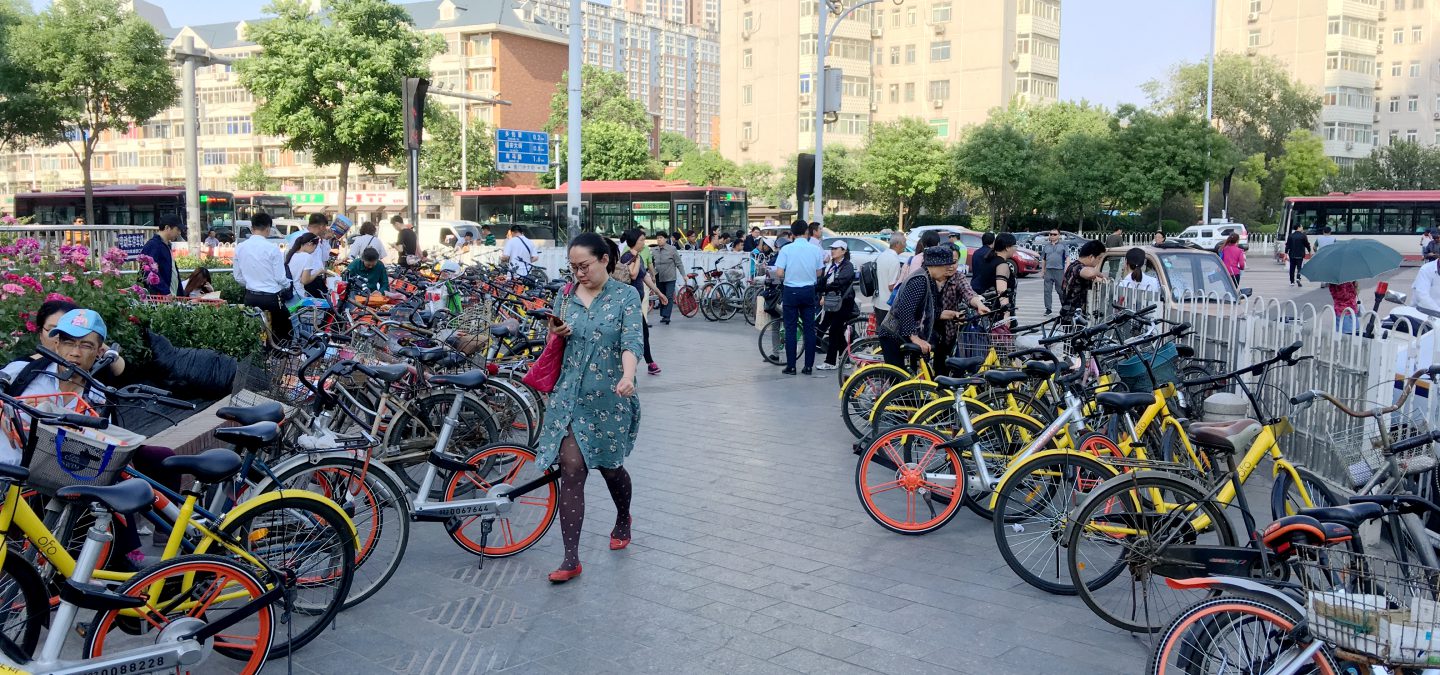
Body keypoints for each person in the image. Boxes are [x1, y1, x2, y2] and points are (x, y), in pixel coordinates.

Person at [2, 308, 178, 568]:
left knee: (115, 476)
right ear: (57, 344)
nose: (75, 352)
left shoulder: (95, 394)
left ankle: (127, 560)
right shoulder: (26, 372)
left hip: (52, 471)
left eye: (85, 345)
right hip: (11, 468)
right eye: (69, 343)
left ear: (98, 351)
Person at [536, 232, 642, 583]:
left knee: (611, 469)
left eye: (584, 266)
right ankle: (570, 559)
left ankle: (623, 516)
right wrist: (557, 331)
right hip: (569, 398)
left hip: (611, 398)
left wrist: (628, 376)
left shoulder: (625, 296)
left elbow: (630, 341)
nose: (578, 273)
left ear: (605, 260)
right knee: (572, 469)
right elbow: (553, 339)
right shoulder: (564, 296)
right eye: (573, 267)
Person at [878, 246, 966, 369]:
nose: (948, 271)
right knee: (898, 382)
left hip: (899, 335)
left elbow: (932, 311)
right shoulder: (919, 280)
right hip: (892, 335)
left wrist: (952, 315)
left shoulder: (929, 279)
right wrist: (915, 338)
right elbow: (906, 310)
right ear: (935, 265)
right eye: (946, 267)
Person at [773, 220, 826, 375]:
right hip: (809, 291)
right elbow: (819, 273)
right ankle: (808, 366)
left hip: (791, 291)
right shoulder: (815, 250)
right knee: (809, 329)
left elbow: (780, 273)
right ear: (807, 232)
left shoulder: (786, 249)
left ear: (792, 233)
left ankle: (791, 366)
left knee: (790, 329)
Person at [233, 213, 291, 346]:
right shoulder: (272, 249)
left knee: (253, 335)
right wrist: (287, 285)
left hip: (250, 297)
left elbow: (238, 277)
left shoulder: (240, 248)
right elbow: (280, 277)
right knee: (281, 333)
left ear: (252, 228)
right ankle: (278, 361)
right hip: (271, 299)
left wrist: (252, 283)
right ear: (268, 228)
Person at [619, 229, 668, 375]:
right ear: (634, 241)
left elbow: (644, 276)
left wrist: (659, 293)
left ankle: (649, 363)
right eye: (641, 239)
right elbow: (633, 275)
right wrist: (637, 258)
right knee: (640, 332)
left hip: (636, 303)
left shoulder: (637, 256)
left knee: (643, 332)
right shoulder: (627, 256)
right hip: (628, 304)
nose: (644, 242)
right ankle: (647, 363)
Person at [816, 241, 858, 371]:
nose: (832, 251)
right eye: (832, 249)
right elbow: (825, 280)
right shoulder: (831, 265)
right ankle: (845, 360)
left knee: (835, 330)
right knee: (838, 331)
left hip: (844, 302)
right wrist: (820, 289)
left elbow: (840, 282)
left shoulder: (848, 266)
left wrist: (826, 287)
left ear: (844, 251)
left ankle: (830, 361)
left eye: (836, 249)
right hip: (832, 301)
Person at [975, 233, 1021, 329]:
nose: (1015, 249)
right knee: (1002, 341)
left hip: (986, 308)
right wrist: (1006, 314)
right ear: (1007, 247)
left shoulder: (988, 260)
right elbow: (1002, 291)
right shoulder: (1002, 265)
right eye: (1014, 246)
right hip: (997, 311)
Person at [1060, 240, 1108, 322]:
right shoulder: (1077, 267)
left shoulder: (1074, 266)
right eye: (1099, 258)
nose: (1099, 261)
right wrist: (1101, 274)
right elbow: (1090, 273)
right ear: (1091, 257)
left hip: (1077, 316)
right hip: (1074, 318)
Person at [141, 214, 183, 296]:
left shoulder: (166, 245)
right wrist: (165, 292)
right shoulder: (153, 245)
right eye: (177, 229)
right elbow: (149, 272)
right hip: (161, 299)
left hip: (170, 297)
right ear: (167, 228)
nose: (179, 233)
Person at [651, 231, 683, 325]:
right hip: (659, 276)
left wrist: (683, 275)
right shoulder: (654, 250)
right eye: (657, 238)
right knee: (661, 295)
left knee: (669, 295)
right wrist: (652, 274)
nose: (659, 240)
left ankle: (667, 316)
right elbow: (651, 263)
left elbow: (679, 263)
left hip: (670, 277)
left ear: (665, 239)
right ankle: (663, 314)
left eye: (661, 238)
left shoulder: (672, 249)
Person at [873, 233, 906, 326]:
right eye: (904, 242)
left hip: (878, 301)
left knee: (880, 333)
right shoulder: (894, 260)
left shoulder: (881, 256)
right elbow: (892, 286)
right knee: (889, 335)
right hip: (888, 305)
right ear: (897, 244)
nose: (905, 245)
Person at [1036, 229, 1068, 315]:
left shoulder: (1063, 245)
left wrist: (1067, 270)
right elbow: (1044, 259)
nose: (1052, 236)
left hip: (1059, 270)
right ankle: (1048, 309)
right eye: (1051, 234)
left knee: (1060, 290)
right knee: (1047, 291)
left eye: (1054, 234)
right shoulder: (1046, 246)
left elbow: (1067, 258)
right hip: (1049, 270)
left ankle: (1064, 307)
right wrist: (1043, 271)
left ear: (1059, 235)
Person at [286, 232, 326, 299]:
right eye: (315, 248)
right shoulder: (307, 257)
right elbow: (304, 281)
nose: (314, 250)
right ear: (310, 244)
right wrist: (318, 272)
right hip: (298, 294)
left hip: (288, 292)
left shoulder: (290, 253)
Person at [1285, 222, 1312, 287]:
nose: (1302, 227)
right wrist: (1309, 251)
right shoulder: (1303, 236)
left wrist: (1286, 252)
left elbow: (1288, 245)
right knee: (1299, 267)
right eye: (1301, 226)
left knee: (1292, 268)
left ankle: (1292, 282)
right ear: (1299, 227)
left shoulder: (1291, 235)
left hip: (1292, 254)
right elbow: (1307, 244)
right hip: (1300, 254)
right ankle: (1298, 277)